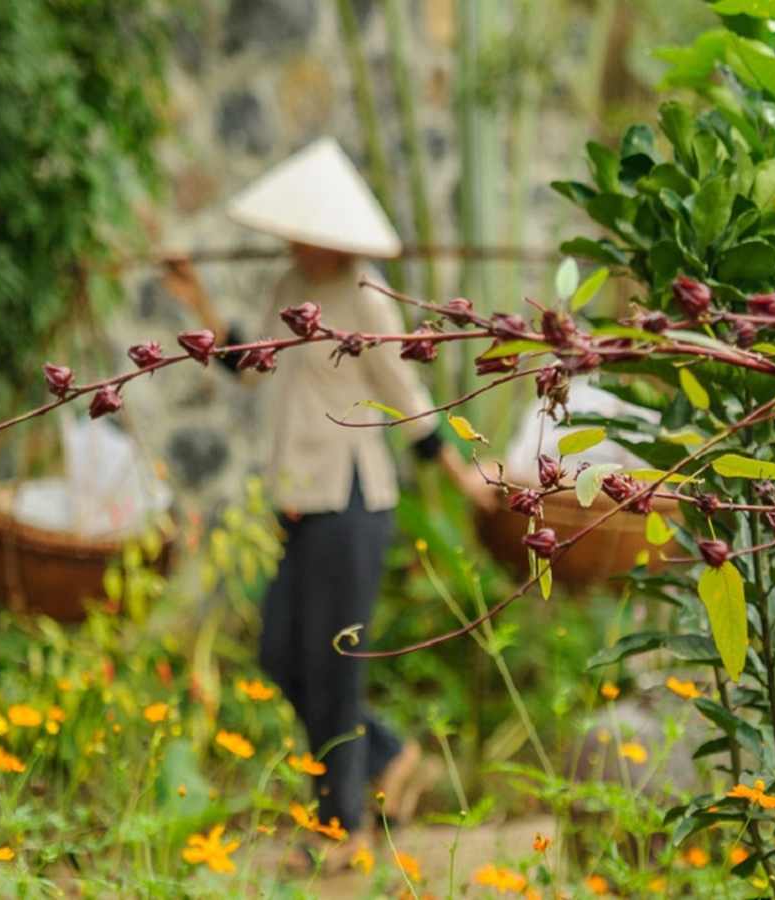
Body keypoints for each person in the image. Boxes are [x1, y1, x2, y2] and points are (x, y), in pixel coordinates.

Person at [163, 137, 494, 872]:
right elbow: (252, 367)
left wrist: (465, 476)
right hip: (297, 501)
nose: (292, 242)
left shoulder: (367, 294)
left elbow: (409, 404)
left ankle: (343, 829)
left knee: (334, 665)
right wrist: (198, 304)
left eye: (301, 232)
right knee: (280, 655)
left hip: (352, 503)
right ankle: (390, 754)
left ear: (329, 233)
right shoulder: (288, 282)